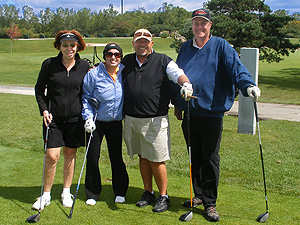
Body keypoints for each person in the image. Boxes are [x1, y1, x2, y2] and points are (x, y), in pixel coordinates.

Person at [172, 9, 261, 222]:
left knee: (210, 158)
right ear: (192, 26)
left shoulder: (221, 46)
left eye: (203, 23)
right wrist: (177, 104)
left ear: (210, 25)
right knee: (195, 156)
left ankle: (210, 202)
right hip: (191, 112)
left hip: (212, 112)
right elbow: (176, 74)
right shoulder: (186, 47)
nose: (199, 27)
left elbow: (236, 69)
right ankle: (198, 195)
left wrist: (248, 85)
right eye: (196, 23)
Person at [121, 29, 193, 213]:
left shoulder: (163, 61)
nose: (142, 44)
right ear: (133, 43)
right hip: (132, 118)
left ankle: (163, 196)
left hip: (155, 120)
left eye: (146, 41)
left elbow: (177, 73)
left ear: (151, 43)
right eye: (139, 41)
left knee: (157, 159)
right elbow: (109, 71)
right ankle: (148, 192)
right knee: (142, 156)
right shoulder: (127, 61)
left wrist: (185, 84)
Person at [33, 30, 90, 210]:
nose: (69, 48)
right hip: (53, 118)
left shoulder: (84, 66)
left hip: (75, 119)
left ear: (78, 46)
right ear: (59, 46)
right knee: (52, 156)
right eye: (65, 45)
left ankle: (66, 191)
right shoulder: (49, 64)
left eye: (72, 45)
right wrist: (43, 110)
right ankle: (46, 194)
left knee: (70, 154)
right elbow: (39, 90)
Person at [81, 42, 129, 206]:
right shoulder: (93, 74)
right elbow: (86, 97)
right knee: (93, 156)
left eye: (117, 54)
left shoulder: (124, 71)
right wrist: (87, 117)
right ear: (105, 56)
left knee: (116, 157)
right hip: (95, 122)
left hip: (115, 122)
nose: (113, 57)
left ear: (120, 57)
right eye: (109, 54)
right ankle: (92, 193)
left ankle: (120, 191)